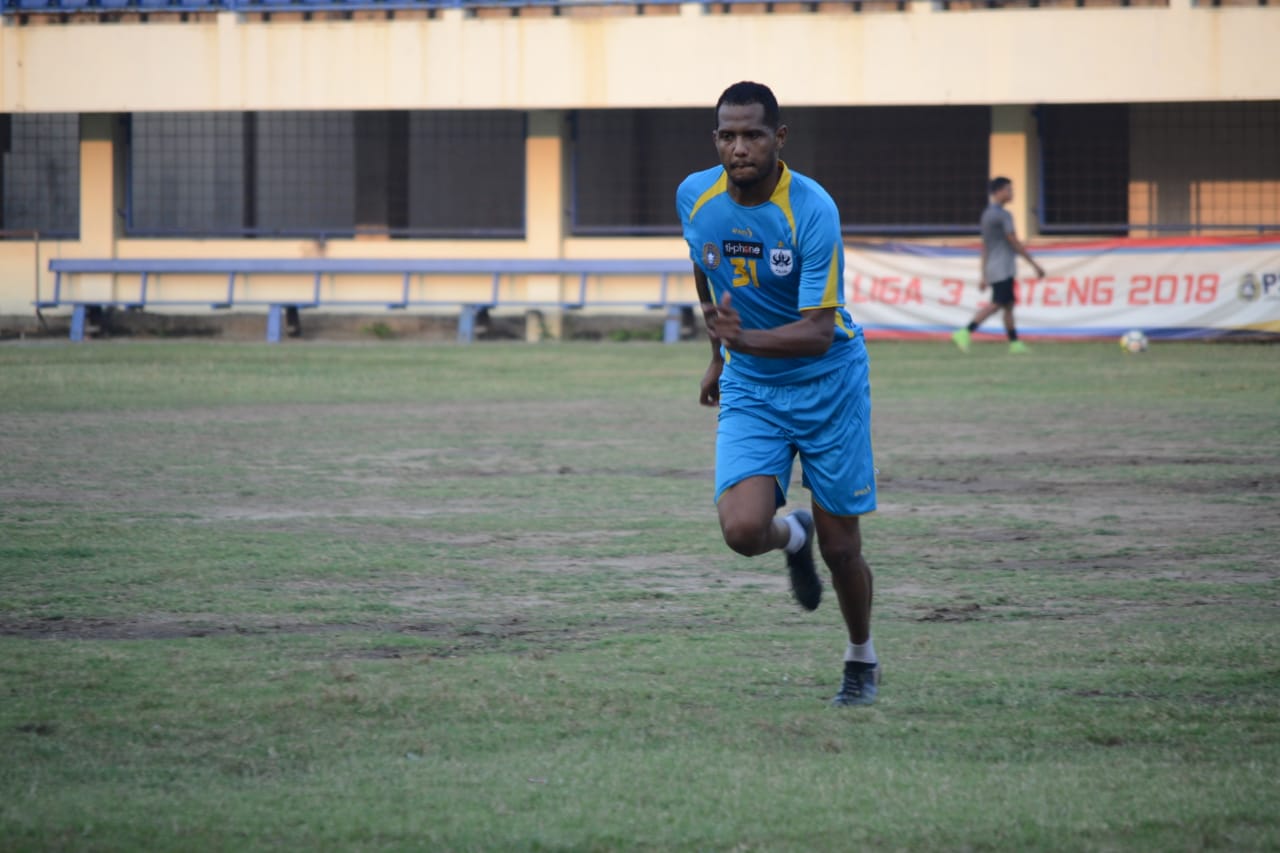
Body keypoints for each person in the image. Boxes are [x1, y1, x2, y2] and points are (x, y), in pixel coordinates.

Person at [675, 81, 880, 707]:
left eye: (753, 135)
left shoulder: (813, 211)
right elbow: (702, 263)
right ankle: (792, 535)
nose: (739, 148)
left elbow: (818, 333)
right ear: (716, 140)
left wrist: (742, 342)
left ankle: (860, 658)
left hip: (829, 383)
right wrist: (717, 353)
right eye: (728, 136)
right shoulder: (695, 196)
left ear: (779, 139)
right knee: (740, 531)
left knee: (843, 546)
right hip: (753, 386)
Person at [951, 176, 1045, 355]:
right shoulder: (1003, 215)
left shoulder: (986, 215)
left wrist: (984, 274)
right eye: (1009, 190)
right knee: (997, 304)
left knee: (1008, 305)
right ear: (998, 192)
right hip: (1002, 267)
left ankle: (1015, 343)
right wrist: (1034, 264)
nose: (1012, 193)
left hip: (996, 267)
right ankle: (965, 331)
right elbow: (1013, 241)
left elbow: (985, 246)